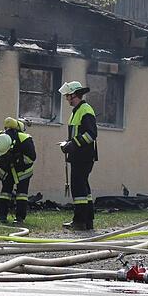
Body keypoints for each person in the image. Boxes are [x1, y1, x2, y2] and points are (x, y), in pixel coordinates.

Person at [57, 81, 97, 231]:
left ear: (75, 94)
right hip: (80, 156)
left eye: (68, 96)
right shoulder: (78, 111)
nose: (67, 99)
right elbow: (77, 135)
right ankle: (88, 221)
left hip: (83, 156)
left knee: (79, 189)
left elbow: (91, 134)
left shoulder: (85, 110)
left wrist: (72, 145)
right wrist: (67, 144)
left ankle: (79, 222)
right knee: (84, 189)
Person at [0, 117, 36, 224]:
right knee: (5, 192)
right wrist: (0, 160)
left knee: (21, 194)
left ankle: (19, 218)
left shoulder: (24, 139)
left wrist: (17, 160)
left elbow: (31, 157)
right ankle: (3, 216)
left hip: (23, 171)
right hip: (7, 170)